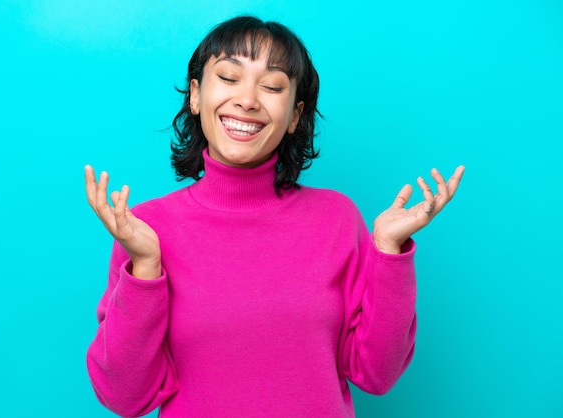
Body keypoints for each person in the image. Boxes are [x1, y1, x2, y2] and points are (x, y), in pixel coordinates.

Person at [84, 16, 464, 418]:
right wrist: (145, 267)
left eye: (271, 85)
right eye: (229, 78)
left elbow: (377, 374)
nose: (247, 100)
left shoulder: (336, 218)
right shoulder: (147, 231)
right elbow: (124, 397)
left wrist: (389, 254)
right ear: (196, 95)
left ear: (295, 115)